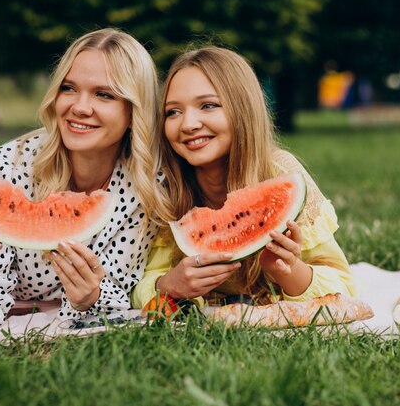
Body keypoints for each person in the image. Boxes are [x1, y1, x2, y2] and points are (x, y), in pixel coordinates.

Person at [0, 28, 162, 330]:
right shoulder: (11, 163)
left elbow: (120, 298)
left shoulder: (145, 184)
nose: (79, 107)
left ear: (135, 111)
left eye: (104, 94)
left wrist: (91, 298)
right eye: (68, 88)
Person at [131, 46, 355, 311]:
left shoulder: (279, 172)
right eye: (173, 112)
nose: (188, 124)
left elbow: (345, 289)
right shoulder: (167, 186)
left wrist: (289, 271)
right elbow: (142, 283)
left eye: (208, 105)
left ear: (243, 109)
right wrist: (169, 286)